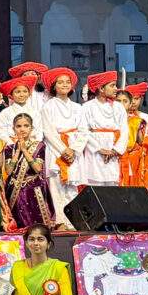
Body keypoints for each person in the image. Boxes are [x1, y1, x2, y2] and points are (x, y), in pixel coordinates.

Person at [38, 68, 85, 229]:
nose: (64, 85)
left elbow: (84, 131)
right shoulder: (48, 106)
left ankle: (73, 220)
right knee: (56, 186)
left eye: (67, 82)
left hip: (73, 149)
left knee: (72, 186)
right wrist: (63, 150)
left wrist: (74, 149)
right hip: (56, 150)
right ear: (54, 86)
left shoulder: (78, 107)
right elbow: (48, 131)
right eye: (60, 82)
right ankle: (60, 221)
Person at [4, 114, 56, 228]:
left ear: (31, 128)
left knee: (37, 226)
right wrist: (17, 151)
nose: (22, 129)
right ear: (13, 129)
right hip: (14, 190)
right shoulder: (9, 148)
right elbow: (8, 171)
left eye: (26, 126)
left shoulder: (39, 146)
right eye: (18, 126)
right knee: (17, 226)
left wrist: (24, 150)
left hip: (33, 189)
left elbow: (37, 168)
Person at [80, 71, 129, 187]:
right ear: (101, 88)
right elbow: (83, 131)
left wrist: (115, 150)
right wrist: (99, 149)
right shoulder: (87, 107)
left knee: (113, 187)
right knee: (95, 186)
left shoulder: (119, 107)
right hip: (95, 152)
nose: (116, 89)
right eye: (112, 85)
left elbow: (124, 131)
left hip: (113, 151)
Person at [0, 75, 44, 145]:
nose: (21, 95)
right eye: (18, 92)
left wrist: (33, 146)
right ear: (11, 96)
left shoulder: (35, 112)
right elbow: (3, 133)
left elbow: (39, 132)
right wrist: (14, 146)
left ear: (29, 94)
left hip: (32, 146)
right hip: (12, 146)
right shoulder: (5, 113)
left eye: (25, 91)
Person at [120, 83, 148, 187]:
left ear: (141, 99)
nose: (133, 102)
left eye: (136, 99)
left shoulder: (146, 118)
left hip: (139, 159)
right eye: (131, 99)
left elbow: (144, 141)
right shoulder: (118, 117)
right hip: (121, 157)